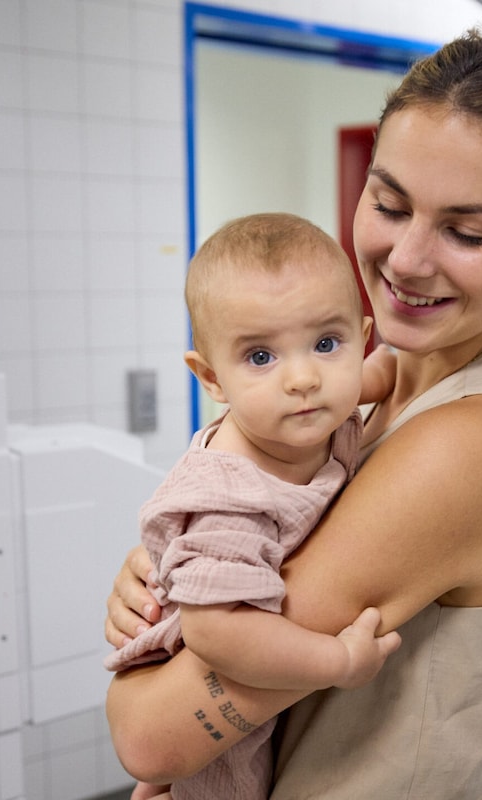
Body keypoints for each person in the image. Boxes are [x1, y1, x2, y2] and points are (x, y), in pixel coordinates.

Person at [105, 15, 482, 799]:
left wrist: (164, 639)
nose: (405, 259)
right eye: (390, 205)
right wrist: (173, 571)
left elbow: (150, 737)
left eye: (466, 231)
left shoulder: (469, 444)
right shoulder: (373, 380)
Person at [104, 212, 402, 800]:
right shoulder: (230, 496)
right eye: (260, 357)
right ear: (211, 378)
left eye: (325, 342)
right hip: (203, 705)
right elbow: (219, 634)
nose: (301, 378)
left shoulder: (311, 408)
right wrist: (338, 662)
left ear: (361, 337)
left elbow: (387, 373)